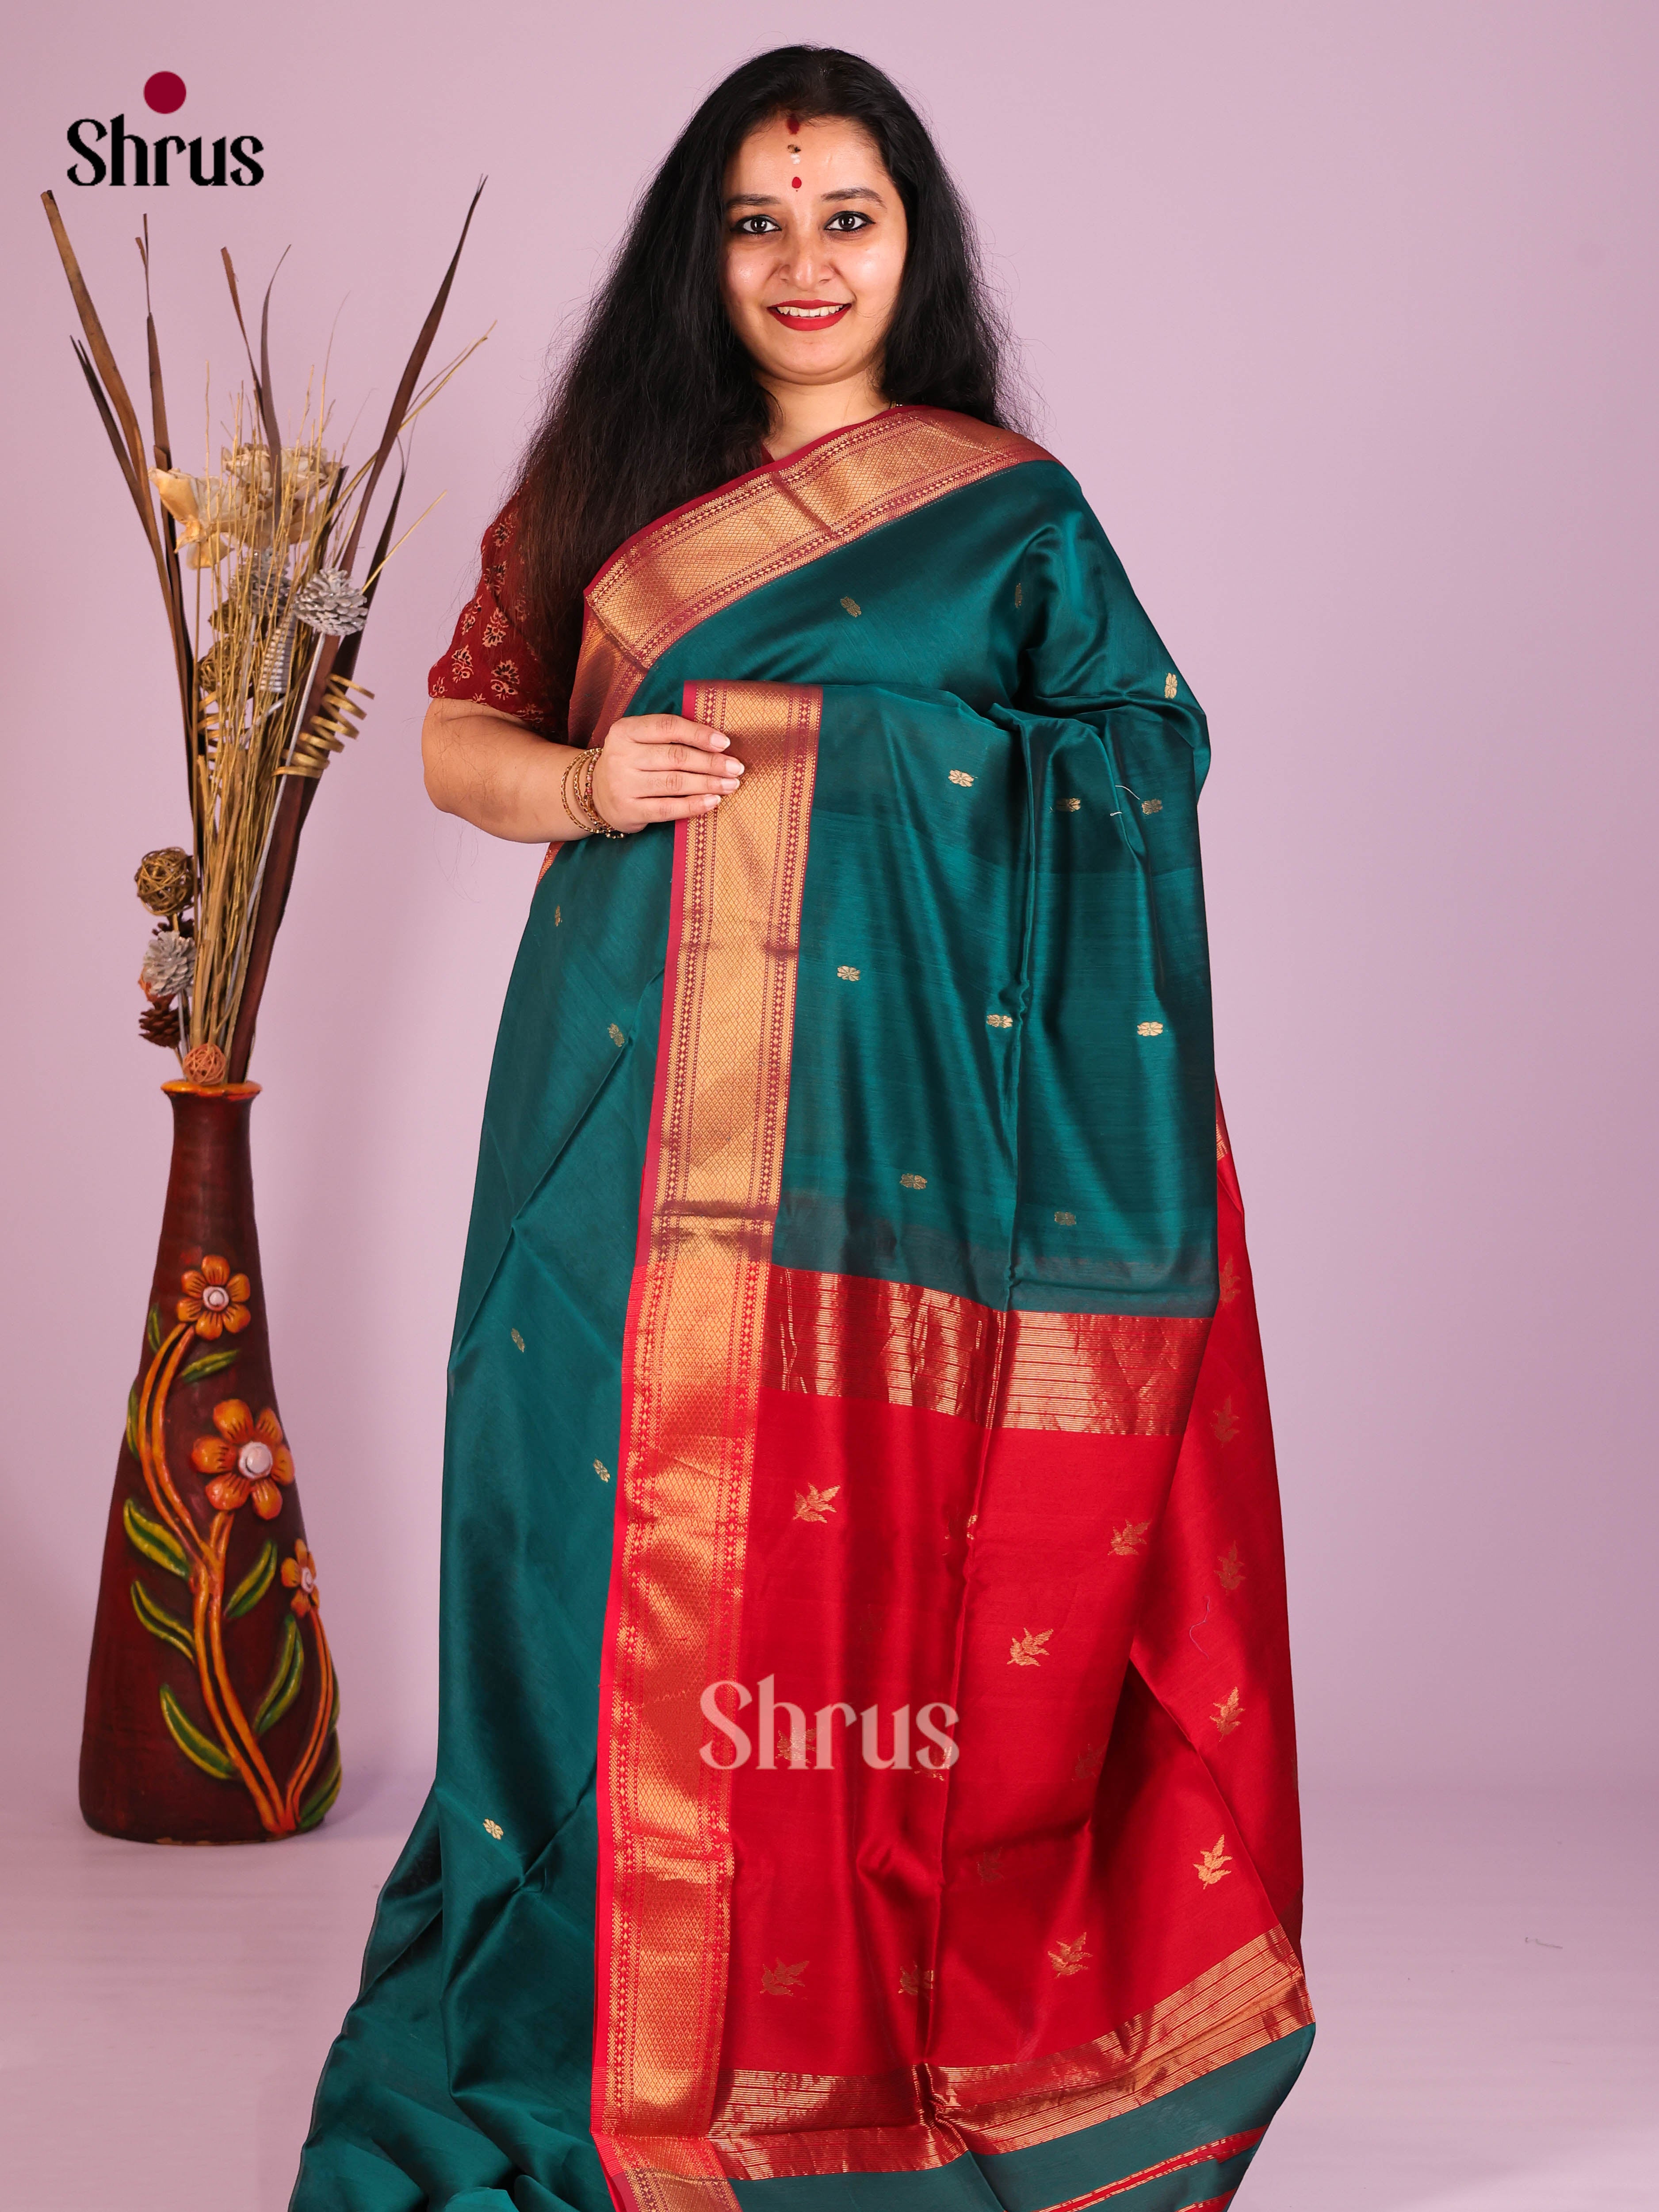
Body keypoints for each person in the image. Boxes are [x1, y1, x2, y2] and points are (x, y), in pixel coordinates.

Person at [293, 45, 1311, 2212]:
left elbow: (1143, 754)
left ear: (910, 244)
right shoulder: (612, 490)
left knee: (872, 1559)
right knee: (583, 1526)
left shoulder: (1004, 511)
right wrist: (591, 784)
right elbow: (461, 739)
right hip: (614, 1107)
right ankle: (600, 1999)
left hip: (905, 1145)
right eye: (756, 224)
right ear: (702, 255)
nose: (802, 263)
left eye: (845, 216)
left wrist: (841, 757)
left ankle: (829, 2023)